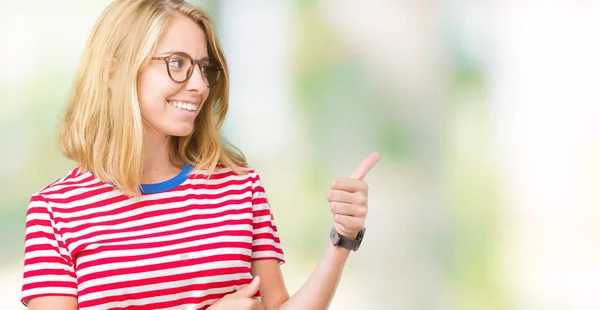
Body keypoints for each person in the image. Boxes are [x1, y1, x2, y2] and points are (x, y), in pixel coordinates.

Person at [20, 0, 380, 309]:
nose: (200, 85)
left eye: (205, 68)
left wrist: (342, 240)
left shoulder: (238, 187)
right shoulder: (55, 212)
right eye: (177, 63)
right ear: (114, 71)